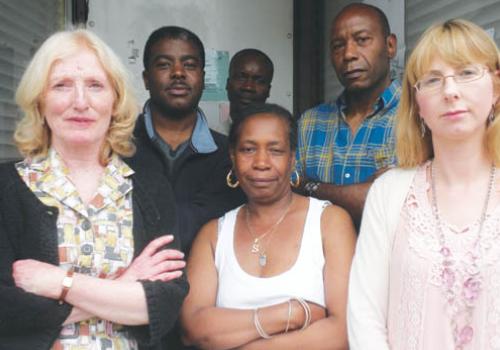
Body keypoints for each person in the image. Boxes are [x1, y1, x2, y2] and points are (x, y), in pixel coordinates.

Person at [0, 29, 188, 349]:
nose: (80, 102)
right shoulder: (7, 189)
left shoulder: (150, 189)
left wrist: (60, 283)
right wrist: (123, 286)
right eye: (61, 85)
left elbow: (165, 305)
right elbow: (6, 310)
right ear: (39, 99)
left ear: (115, 101)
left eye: (95, 86)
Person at [348, 19, 500, 349]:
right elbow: (364, 313)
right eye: (432, 80)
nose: (450, 91)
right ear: (417, 104)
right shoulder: (389, 192)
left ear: (496, 87)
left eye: (466, 72)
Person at [181, 103, 356, 349]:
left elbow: (343, 333)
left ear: (293, 158)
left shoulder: (330, 223)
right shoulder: (213, 235)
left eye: (275, 150)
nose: (261, 162)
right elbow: (194, 329)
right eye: (248, 149)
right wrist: (292, 313)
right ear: (232, 158)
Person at [127, 26, 245, 255]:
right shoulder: (117, 148)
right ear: (146, 79)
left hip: (211, 285)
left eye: (189, 65)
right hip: (131, 286)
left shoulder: (230, 156)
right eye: (164, 64)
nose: (178, 73)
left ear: (202, 77)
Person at [296, 3, 400, 227]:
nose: (349, 54)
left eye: (362, 39)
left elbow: (391, 206)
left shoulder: (418, 117)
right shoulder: (310, 123)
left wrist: (311, 187)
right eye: (338, 46)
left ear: (390, 46)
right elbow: (286, 193)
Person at [226, 48, 274, 122]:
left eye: (259, 81)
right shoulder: (208, 132)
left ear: (268, 90)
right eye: (241, 78)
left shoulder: (279, 133)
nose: (248, 87)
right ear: (228, 84)